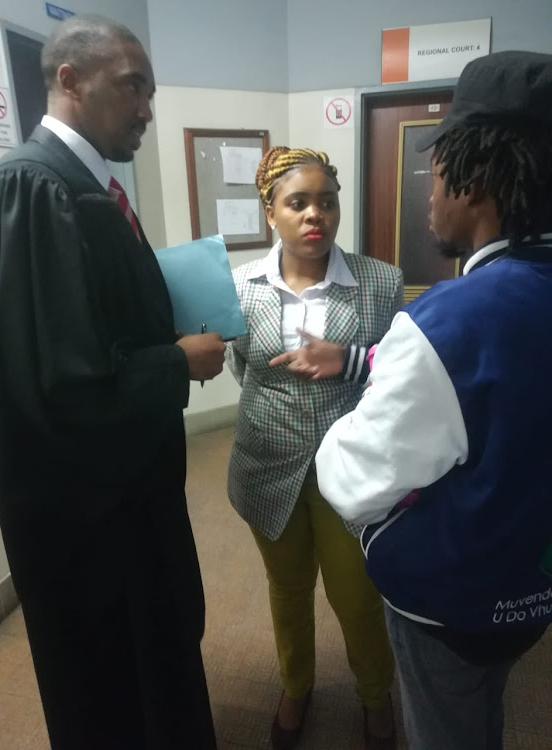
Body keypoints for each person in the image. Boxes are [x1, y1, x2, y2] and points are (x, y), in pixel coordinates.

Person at [0, 15, 225, 750]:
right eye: (134, 88)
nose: (148, 109)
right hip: (85, 518)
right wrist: (177, 361)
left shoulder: (86, 185)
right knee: (110, 689)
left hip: (125, 495)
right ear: (69, 80)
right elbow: (57, 379)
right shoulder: (35, 188)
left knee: (155, 657)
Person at [316, 50, 552, 750]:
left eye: (438, 167)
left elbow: (354, 482)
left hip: (446, 605)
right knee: (486, 701)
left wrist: (349, 415)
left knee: (445, 726)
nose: (429, 190)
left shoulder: (450, 322)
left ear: (476, 179)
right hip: (531, 589)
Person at [225, 147, 403, 750]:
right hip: (265, 463)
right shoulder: (241, 285)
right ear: (269, 212)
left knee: (356, 597)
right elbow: (240, 369)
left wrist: (346, 366)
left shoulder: (381, 281)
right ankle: (295, 686)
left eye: (326, 201)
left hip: (349, 467)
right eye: (296, 203)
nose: (315, 215)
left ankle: (376, 698)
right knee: (288, 587)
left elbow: (397, 376)